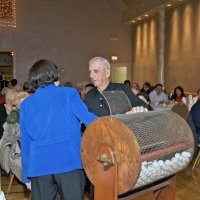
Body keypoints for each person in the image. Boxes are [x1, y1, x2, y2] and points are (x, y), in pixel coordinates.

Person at [20, 59, 97, 200]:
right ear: (53, 74)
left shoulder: (26, 105)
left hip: (39, 166)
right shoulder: (69, 94)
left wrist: (26, 176)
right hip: (69, 162)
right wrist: (116, 122)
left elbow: (25, 142)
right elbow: (90, 120)